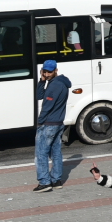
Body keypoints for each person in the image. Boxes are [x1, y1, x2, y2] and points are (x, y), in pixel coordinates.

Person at [34, 59, 70, 192]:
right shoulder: (59, 82)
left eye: (49, 72)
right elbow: (39, 96)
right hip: (58, 123)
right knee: (56, 153)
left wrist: (40, 122)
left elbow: (47, 106)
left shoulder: (55, 85)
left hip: (48, 124)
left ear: (56, 70)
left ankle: (44, 182)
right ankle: (56, 180)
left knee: (41, 154)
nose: (47, 74)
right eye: (45, 72)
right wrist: (42, 81)